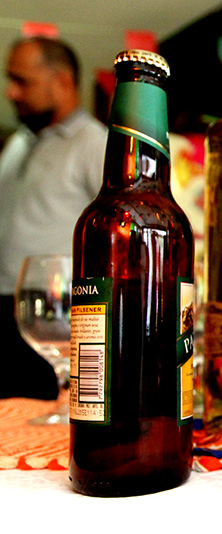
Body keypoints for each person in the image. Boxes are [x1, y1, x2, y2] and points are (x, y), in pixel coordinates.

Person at [0, 37, 107, 399]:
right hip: (9, 310)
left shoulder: (94, 143)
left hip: (54, 313)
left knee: (45, 411)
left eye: (22, 81)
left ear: (62, 80)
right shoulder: (19, 143)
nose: (11, 92)